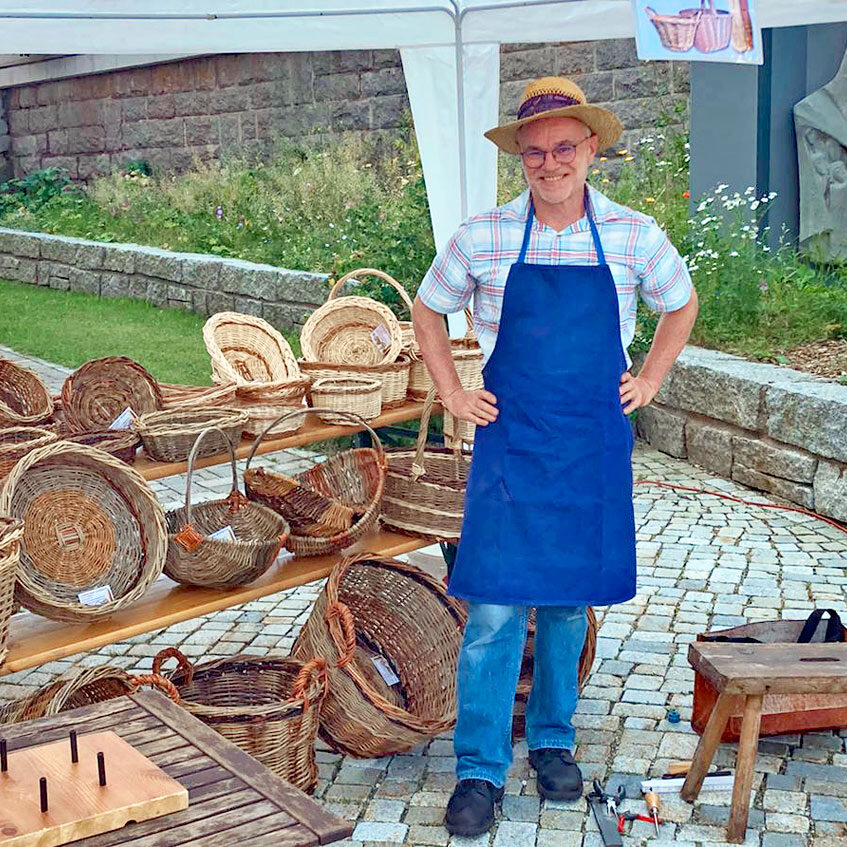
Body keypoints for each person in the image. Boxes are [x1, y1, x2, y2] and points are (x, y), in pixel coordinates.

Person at [412, 76, 699, 837]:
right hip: (511, 443)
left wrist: (651, 377)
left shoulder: (633, 235)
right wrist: (451, 391)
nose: (549, 163)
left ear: (591, 148)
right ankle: (478, 768)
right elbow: (427, 308)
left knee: (569, 602)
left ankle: (551, 741)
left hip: (587, 445)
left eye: (563, 147)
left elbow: (681, 302)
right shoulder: (484, 236)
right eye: (535, 152)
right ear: (521, 158)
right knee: (494, 608)